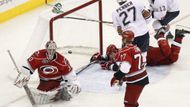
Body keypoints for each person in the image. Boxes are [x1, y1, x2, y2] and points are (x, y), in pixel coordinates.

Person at [14, 40, 81, 104]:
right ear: (46, 49)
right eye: (49, 49)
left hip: (57, 80)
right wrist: (24, 74)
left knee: (65, 95)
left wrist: (75, 84)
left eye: (53, 50)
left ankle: (61, 87)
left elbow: (69, 74)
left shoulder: (62, 61)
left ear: (56, 49)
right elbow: (28, 66)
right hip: (43, 81)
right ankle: (58, 90)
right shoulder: (38, 55)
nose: (51, 52)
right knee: (40, 95)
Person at [91, 28, 190, 67]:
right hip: (150, 61)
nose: (111, 56)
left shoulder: (119, 54)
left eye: (111, 54)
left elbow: (117, 66)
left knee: (167, 53)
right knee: (172, 58)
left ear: (114, 51)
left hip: (149, 55)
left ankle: (160, 35)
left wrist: (104, 63)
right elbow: (108, 59)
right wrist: (100, 58)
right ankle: (179, 36)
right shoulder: (116, 55)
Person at [99, 31, 149, 107]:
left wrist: (116, 77)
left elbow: (126, 68)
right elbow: (134, 66)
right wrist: (124, 78)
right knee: (132, 103)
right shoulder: (136, 48)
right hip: (141, 77)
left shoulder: (125, 50)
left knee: (129, 104)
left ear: (124, 39)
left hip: (136, 80)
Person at [112, 0, 152, 65]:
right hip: (143, 33)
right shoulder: (137, 2)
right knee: (143, 53)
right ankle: (142, 66)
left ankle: (127, 68)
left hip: (129, 38)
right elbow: (147, 15)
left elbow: (119, 31)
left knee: (126, 55)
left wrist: (123, 31)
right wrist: (143, 23)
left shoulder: (115, 13)